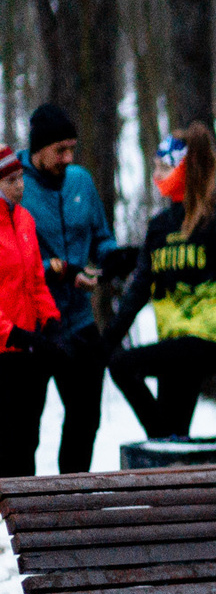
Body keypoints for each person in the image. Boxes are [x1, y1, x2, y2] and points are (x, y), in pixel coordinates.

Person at [105, 124, 216, 441]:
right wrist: (106, 340)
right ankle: (170, 448)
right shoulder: (159, 226)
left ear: (185, 169)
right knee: (170, 431)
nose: (157, 175)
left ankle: (166, 444)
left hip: (212, 340)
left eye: (164, 167)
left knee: (123, 364)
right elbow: (138, 289)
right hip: (176, 342)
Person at [20, 103, 111, 471]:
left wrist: (113, 258)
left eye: (72, 148)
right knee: (24, 430)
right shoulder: (14, 185)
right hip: (34, 327)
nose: (68, 157)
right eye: (60, 150)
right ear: (38, 149)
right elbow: (10, 263)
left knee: (86, 419)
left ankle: (72, 498)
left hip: (78, 321)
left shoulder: (81, 181)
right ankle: (20, 511)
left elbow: (101, 237)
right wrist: (58, 270)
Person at [0, 146, 59, 475]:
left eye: (21, 178)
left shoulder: (25, 219)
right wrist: (13, 334)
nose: (20, 185)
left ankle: (25, 513)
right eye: (11, 180)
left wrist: (50, 319)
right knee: (5, 440)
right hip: (5, 348)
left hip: (29, 350)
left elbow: (37, 279)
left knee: (28, 437)